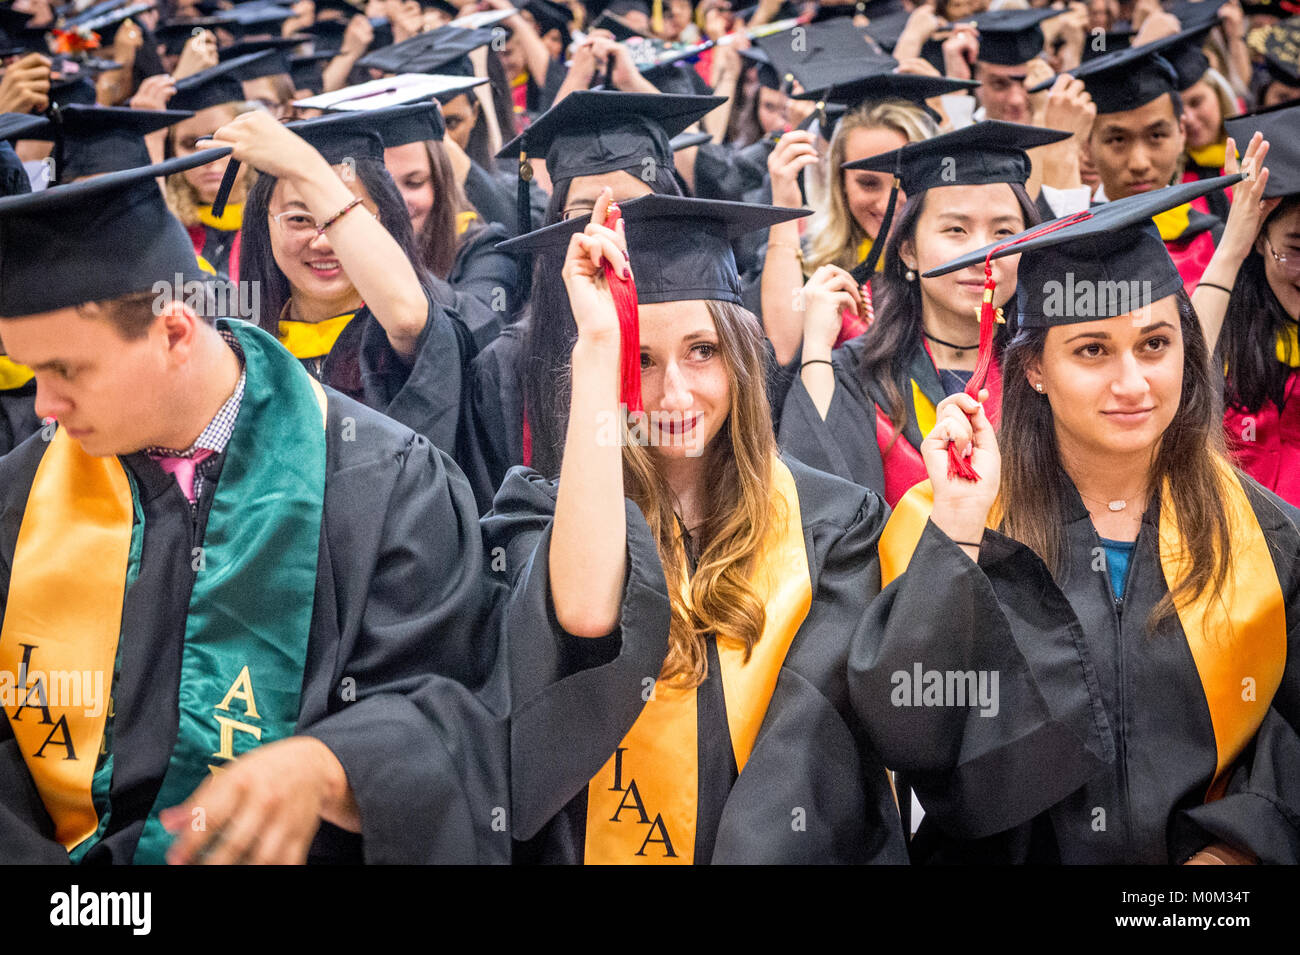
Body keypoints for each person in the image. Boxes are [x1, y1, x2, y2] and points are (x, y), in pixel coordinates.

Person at [483, 190, 1109, 863]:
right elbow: (581, 612)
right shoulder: (547, 512)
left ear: (742, 360)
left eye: (702, 351)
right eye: (642, 360)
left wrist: (956, 516)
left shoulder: (829, 528)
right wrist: (600, 346)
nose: (675, 394)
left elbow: (828, 744)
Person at [0, 155, 507, 864]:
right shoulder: (21, 500)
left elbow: (456, 711)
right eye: (30, 374)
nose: (44, 407)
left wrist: (333, 767)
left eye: (66, 370)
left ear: (175, 332)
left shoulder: (385, 483)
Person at [887, 174, 1300, 863]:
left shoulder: (1259, 532)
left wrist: (1244, 842)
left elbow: (1289, 730)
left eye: (1154, 344)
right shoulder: (952, 520)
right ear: (1035, 371)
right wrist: (958, 535)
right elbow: (909, 731)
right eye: (1092, 350)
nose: (1133, 382)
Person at [778, 121, 1063, 505]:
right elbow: (823, 506)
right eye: (956, 230)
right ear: (908, 249)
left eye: (1004, 232)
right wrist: (815, 346)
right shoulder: (858, 376)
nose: (983, 255)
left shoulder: (1048, 369)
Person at [466, 90, 721, 511]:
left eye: (632, 208)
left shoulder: (715, 339)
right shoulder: (507, 365)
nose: (607, 231)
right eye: (584, 214)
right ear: (554, 225)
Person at [218, 103, 480, 463]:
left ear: (384, 223)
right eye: (298, 219)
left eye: (337, 220)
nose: (323, 241)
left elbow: (406, 316)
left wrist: (304, 164)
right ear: (265, 226)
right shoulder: (237, 347)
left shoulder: (403, 337)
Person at [1196, 106, 1300, 503]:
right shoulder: (1225, 326)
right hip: (1243, 549)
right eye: (1296, 249)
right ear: (1259, 240)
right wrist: (1230, 250)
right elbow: (1177, 374)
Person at [165, 53, 273, 281]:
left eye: (218, 139)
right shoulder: (167, 232)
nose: (206, 157)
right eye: (189, 144)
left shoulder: (276, 225)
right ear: (173, 152)